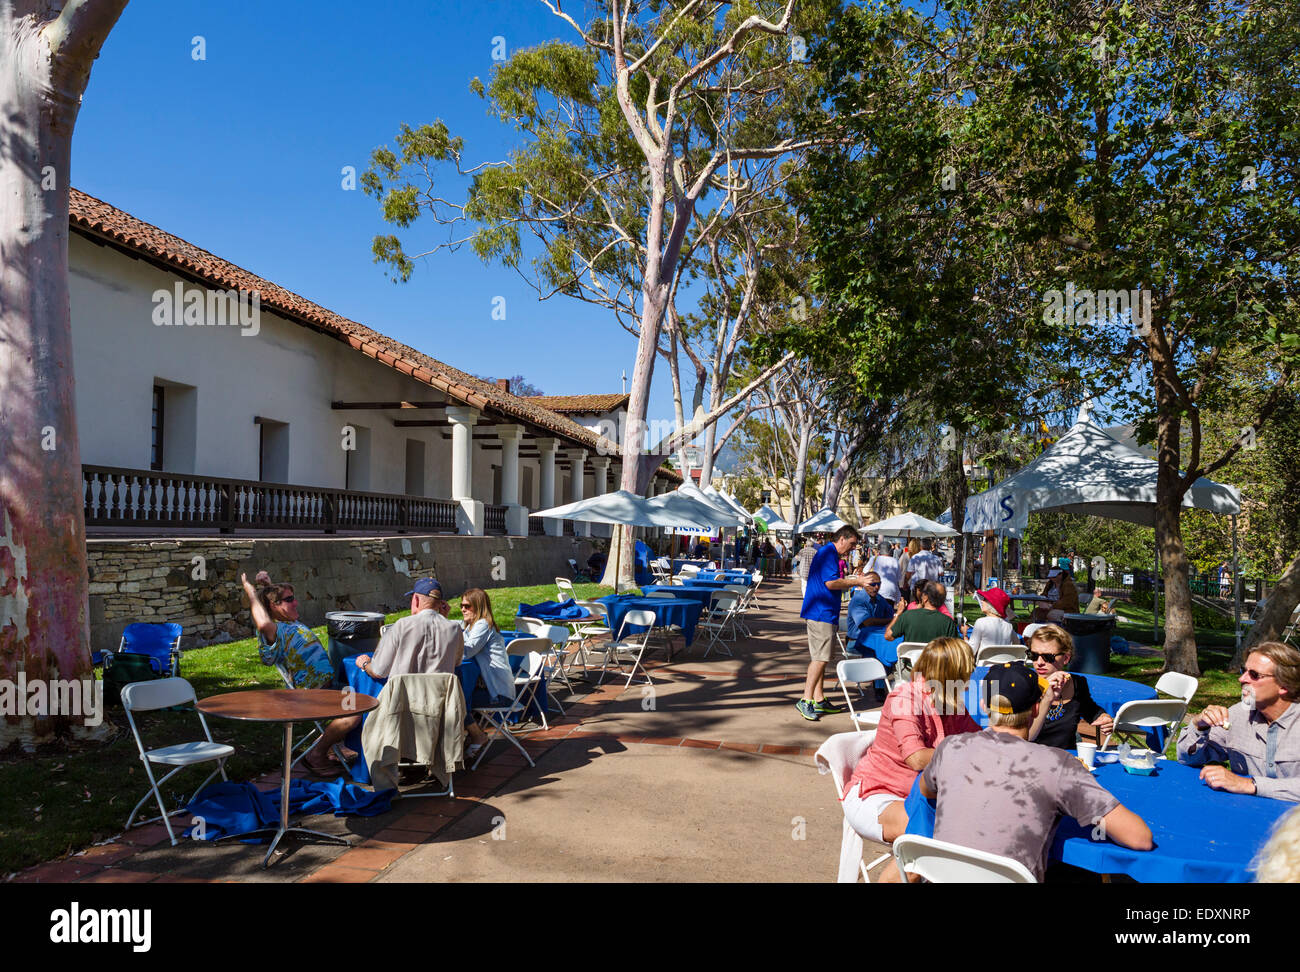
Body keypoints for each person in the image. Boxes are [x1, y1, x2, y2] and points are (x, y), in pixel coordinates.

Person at [919, 661, 1153, 881]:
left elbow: (926, 789)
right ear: (1036, 708)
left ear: (983, 706)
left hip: (946, 877)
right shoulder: (1057, 765)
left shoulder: (950, 747)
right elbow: (1139, 838)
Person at [842, 638, 979, 852]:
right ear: (950, 674)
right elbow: (915, 758)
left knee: (975, 826)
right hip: (880, 793)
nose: (970, 679)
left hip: (927, 796)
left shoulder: (950, 701)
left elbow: (978, 740)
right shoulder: (905, 698)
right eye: (967, 672)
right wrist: (962, 752)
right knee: (931, 837)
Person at [242, 570, 359, 777]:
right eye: (289, 600)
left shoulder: (289, 624)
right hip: (312, 695)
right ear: (274, 606)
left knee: (369, 695)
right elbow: (262, 622)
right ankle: (317, 754)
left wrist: (267, 586)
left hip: (328, 688)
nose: (296, 603)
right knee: (355, 712)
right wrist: (251, 592)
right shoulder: (275, 631)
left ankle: (332, 747)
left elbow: (273, 600)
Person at [1178, 641, 1300, 801]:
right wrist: (1199, 726)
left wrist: (1248, 784)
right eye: (1244, 671)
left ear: (1283, 685)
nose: (1241, 679)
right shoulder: (1239, 713)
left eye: (1254, 675)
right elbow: (1187, 759)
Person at [797, 525, 871, 721]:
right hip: (821, 613)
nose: (853, 548)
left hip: (824, 613)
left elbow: (830, 581)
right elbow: (830, 583)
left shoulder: (828, 554)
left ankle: (819, 699)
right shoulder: (828, 554)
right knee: (820, 658)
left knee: (822, 657)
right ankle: (806, 699)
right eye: (852, 543)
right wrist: (858, 582)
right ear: (842, 539)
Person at [1024, 623, 1114, 749]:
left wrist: (1103, 717)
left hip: (1067, 757)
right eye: (1033, 655)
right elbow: (1024, 736)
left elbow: (1088, 709)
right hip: (1031, 757)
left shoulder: (1077, 683)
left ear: (1066, 658)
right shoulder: (1024, 684)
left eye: (1047, 657)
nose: (1039, 663)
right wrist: (1045, 693)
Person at [353, 578, 463, 680]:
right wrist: (443, 619)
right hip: (440, 698)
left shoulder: (402, 625)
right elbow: (456, 662)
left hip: (405, 698)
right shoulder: (454, 628)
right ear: (441, 603)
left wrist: (365, 664)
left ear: (416, 599)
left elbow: (379, 671)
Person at [459, 588, 517, 758]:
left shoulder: (482, 625)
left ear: (478, 606)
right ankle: (469, 735)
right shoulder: (472, 626)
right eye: (461, 605)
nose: (462, 609)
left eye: (467, 606)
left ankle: (477, 735)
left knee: (455, 703)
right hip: (494, 689)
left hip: (498, 694)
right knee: (457, 697)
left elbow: (466, 652)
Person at [885, 580, 959, 643]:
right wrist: (964, 635)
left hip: (912, 659)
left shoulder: (908, 616)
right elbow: (956, 648)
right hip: (936, 659)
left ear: (925, 598)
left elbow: (888, 636)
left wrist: (898, 613)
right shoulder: (947, 622)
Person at [846, 570, 894, 655]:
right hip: (857, 642)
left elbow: (890, 613)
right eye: (872, 584)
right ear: (864, 584)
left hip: (876, 639)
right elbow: (868, 622)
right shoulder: (858, 600)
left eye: (879, 584)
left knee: (894, 648)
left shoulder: (879, 599)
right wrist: (891, 620)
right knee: (887, 652)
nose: (876, 587)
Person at [962, 587, 1019, 652]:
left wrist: (965, 635)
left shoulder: (981, 622)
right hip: (1004, 661)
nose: (982, 601)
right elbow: (1017, 644)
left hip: (985, 662)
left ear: (992, 605)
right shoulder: (1008, 625)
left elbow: (971, 650)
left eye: (985, 599)